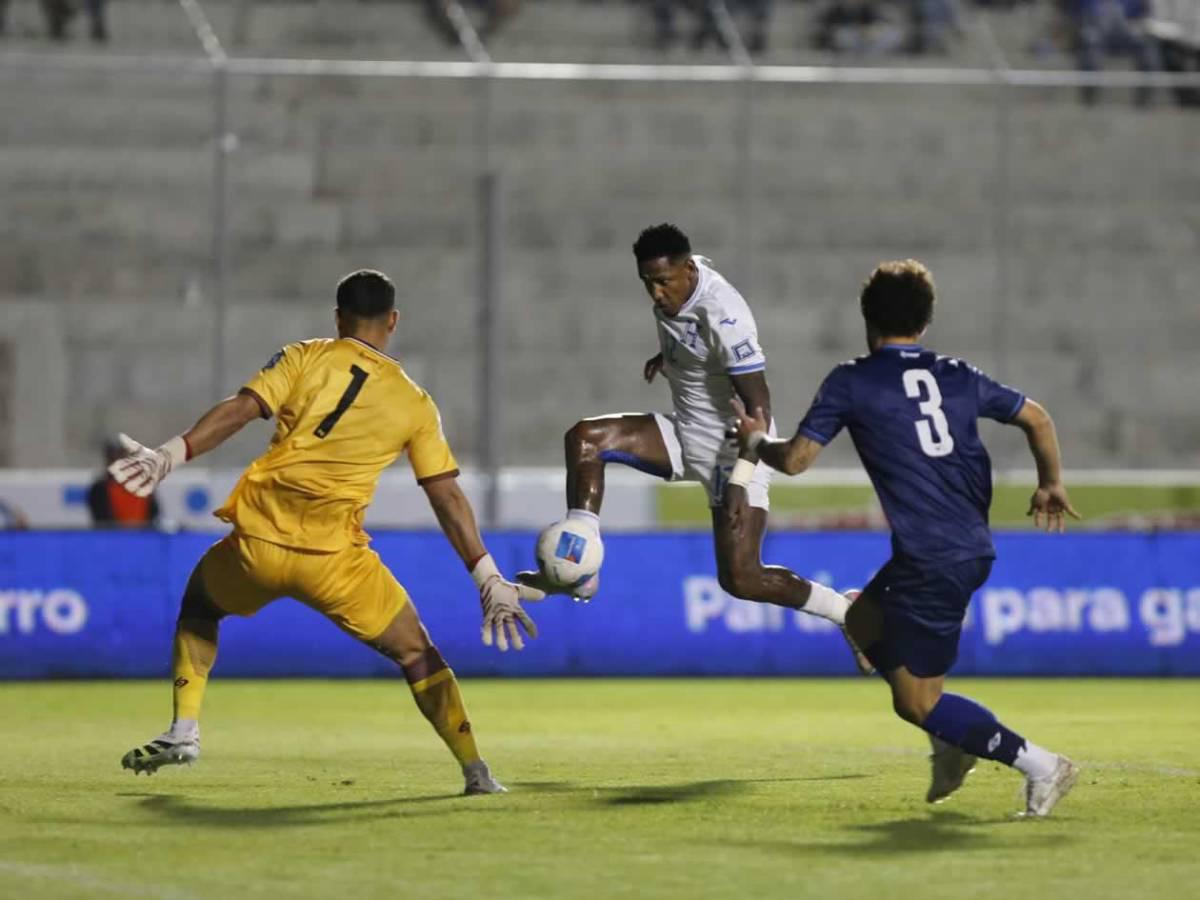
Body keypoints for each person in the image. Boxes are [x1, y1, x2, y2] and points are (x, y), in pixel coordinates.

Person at [109, 269, 543, 795]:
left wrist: (170, 454)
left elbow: (242, 409)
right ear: (393, 321)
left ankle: (185, 728)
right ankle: (476, 772)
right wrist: (487, 576)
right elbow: (445, 494)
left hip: (257, 546)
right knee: (417, 654)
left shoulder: (305, 356)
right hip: (334, 560)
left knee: (200, 608)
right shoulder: (414, 402)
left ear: (338, 318)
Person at [731, 259, 1081, 817]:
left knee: (919, 703)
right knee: (860, 619)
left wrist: (754, 443)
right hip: (954, 548)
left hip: (935, 561)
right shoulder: (958, 374)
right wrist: (1050, 484)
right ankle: (950, 740)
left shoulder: (852, 380)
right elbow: (1037, 417)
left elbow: (794, 460)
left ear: (866, 318)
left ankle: (1039, 764)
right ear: (925, 321)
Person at [518, 223, 870, 673]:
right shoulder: (681, 282)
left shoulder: (725, 316)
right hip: (684, 434)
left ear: (686, 270)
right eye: (647, 283)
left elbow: (758, 406)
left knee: (742, 579)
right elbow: (691, 339)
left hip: (734, 448)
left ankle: (847, 612)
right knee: (585, 439)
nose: (655, 293)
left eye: (663, 282)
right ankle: (582, 562)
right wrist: (669, 357)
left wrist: (741, 477)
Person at [88, 436, 161, 528]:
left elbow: (154, 516)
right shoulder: (99, 489)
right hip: (115, 539)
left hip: (143, 539)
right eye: (114, 456)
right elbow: (101, 521)